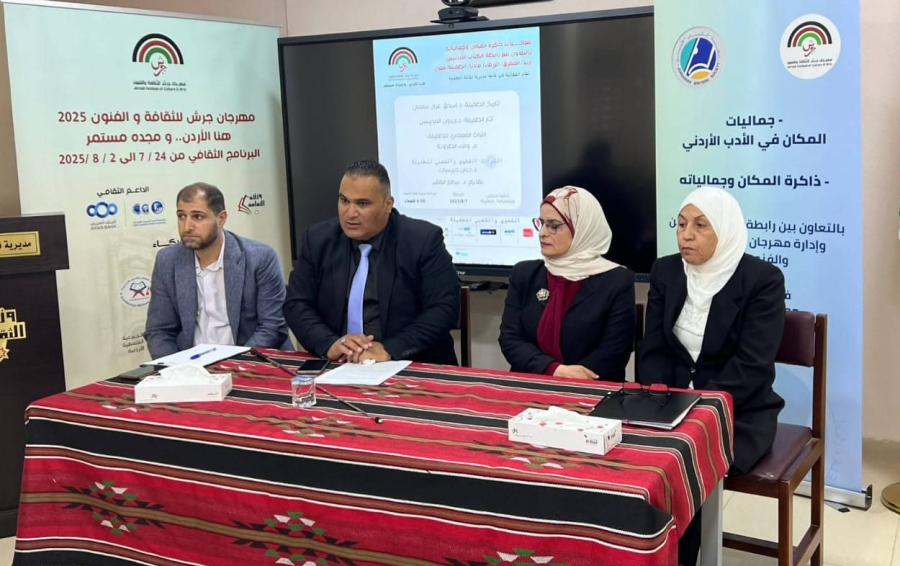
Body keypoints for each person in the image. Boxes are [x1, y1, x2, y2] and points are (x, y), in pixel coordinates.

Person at [637, 186, 786, 566]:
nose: (686, 235)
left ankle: (679, 558)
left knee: (681, 460)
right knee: (633, 455)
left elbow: (752, 365)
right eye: (681, 224)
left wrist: (697, 410)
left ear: (725, 229)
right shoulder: (667, 270)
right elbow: (652, 347)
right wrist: (657, 397)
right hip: (668, 403)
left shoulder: (762, 279)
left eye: (700, 226)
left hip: (736, 411)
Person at [283, 159, 459, 365]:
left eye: (362, 204)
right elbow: (296, 303)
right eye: (344, 201)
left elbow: (444, 309)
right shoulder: (317, 239)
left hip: (407, 362)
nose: (350, 213)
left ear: (388, 204)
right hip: (338, 364)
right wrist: (329, 343)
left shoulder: (422, 240)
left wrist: (390, 349)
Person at [499, 186, 635, 380]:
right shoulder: (525, 274)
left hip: (592, 386)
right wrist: (554, 370)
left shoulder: (617, 280)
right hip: (532, 381)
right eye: (541, 223)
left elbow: (616, 350)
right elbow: (510, 338)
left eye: (553, 226)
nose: (542, 233)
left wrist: (578, 377)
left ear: (581, 229)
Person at [144, 182, 291, 359]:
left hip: (250, 361)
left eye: (198, 217)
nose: (187, 226)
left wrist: (232, 366)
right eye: (181, 216)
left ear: (221, 219)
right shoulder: (167, 261)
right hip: (192, 366)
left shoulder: (260, 258)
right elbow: (159, 331)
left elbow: (272, 327)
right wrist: (177, 368)